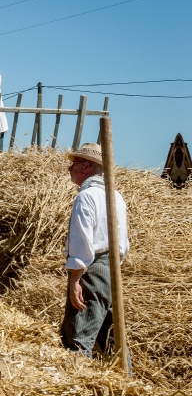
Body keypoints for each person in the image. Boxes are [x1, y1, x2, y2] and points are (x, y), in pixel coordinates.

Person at [60, 143, 130, 366]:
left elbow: (82, 244)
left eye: (75, 163)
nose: (70, 168)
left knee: (78, 337)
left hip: (93, 267)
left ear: (88, 166)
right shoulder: (116, 197)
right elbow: (122, 243)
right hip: (112, 270)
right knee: (111, 335)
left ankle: (77, 388)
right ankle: (126, 383)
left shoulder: (86, 196)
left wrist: (76, 279)